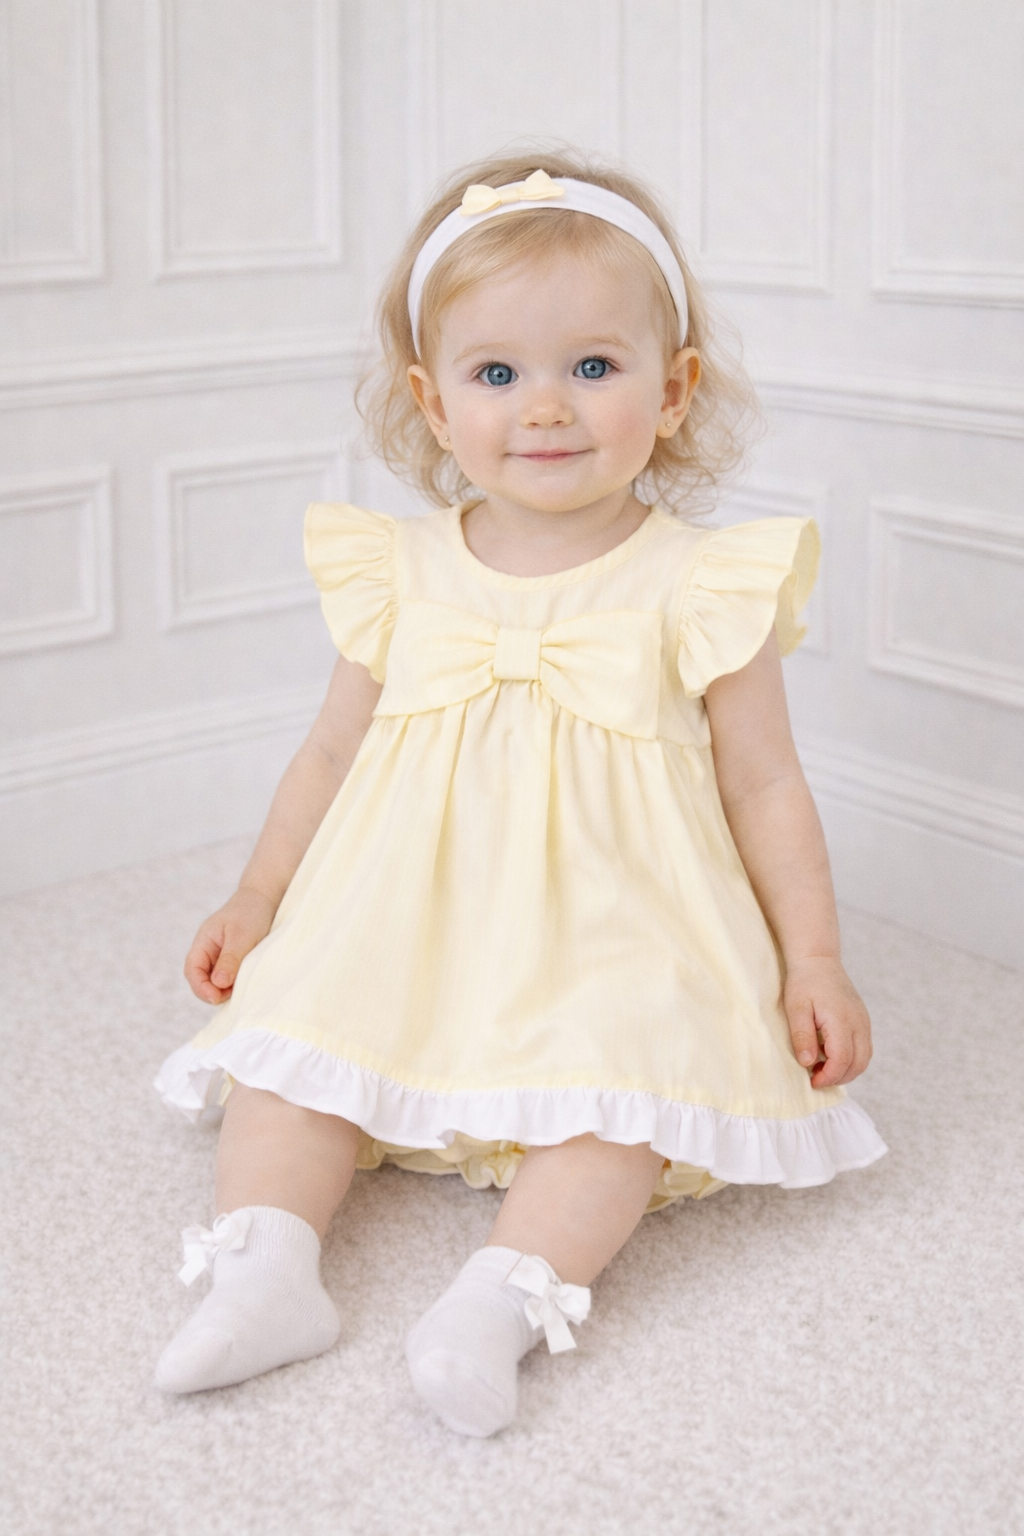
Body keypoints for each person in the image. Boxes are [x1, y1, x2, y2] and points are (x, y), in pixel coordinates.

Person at [154, 152, 886, 1437]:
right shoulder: (399, 570)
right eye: (496, 374)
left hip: (616, 918)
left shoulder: (699, 582)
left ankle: (495, 1303)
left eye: (593, 366)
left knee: (623, 1099)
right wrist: (259, 898)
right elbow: (327, 755)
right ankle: (264, 1270)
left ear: (674, 390)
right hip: (404, 912)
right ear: (434, 405)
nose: (544, 406)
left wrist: (811, 960)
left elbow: (766, 782)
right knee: (294, 1055)